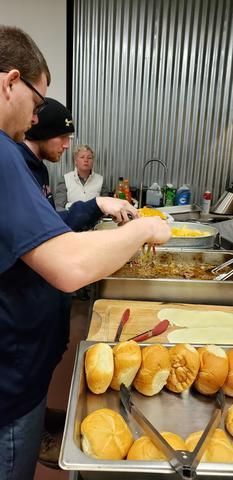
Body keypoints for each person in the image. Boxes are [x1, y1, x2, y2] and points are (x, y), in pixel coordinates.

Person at [0, 24, 171, 480]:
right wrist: (147, 230)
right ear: (10, 82)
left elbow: (47, 236)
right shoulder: (3, 153)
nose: (36, 118)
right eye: (37, 103)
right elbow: (70, 264)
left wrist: (97, 204)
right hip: (10, 381)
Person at [17, 97, 115, 468]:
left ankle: (41, 416)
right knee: (28, 378)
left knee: (48, 359)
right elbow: (54, 232)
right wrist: (97, 209)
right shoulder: (18, 170)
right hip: (25, 312)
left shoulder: (38, 169)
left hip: (47, 304)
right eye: (61, 136)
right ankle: (33, 432)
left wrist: (98, 205)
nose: (68, 146)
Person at [55, 143, 109, 209]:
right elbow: (59, 207)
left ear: (93, 161)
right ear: (75, 161)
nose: (86, 160)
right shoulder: (65, 180)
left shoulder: (100, 180)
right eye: (82, 157)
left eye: (89, 158)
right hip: (71, 218)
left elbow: (106, 207)